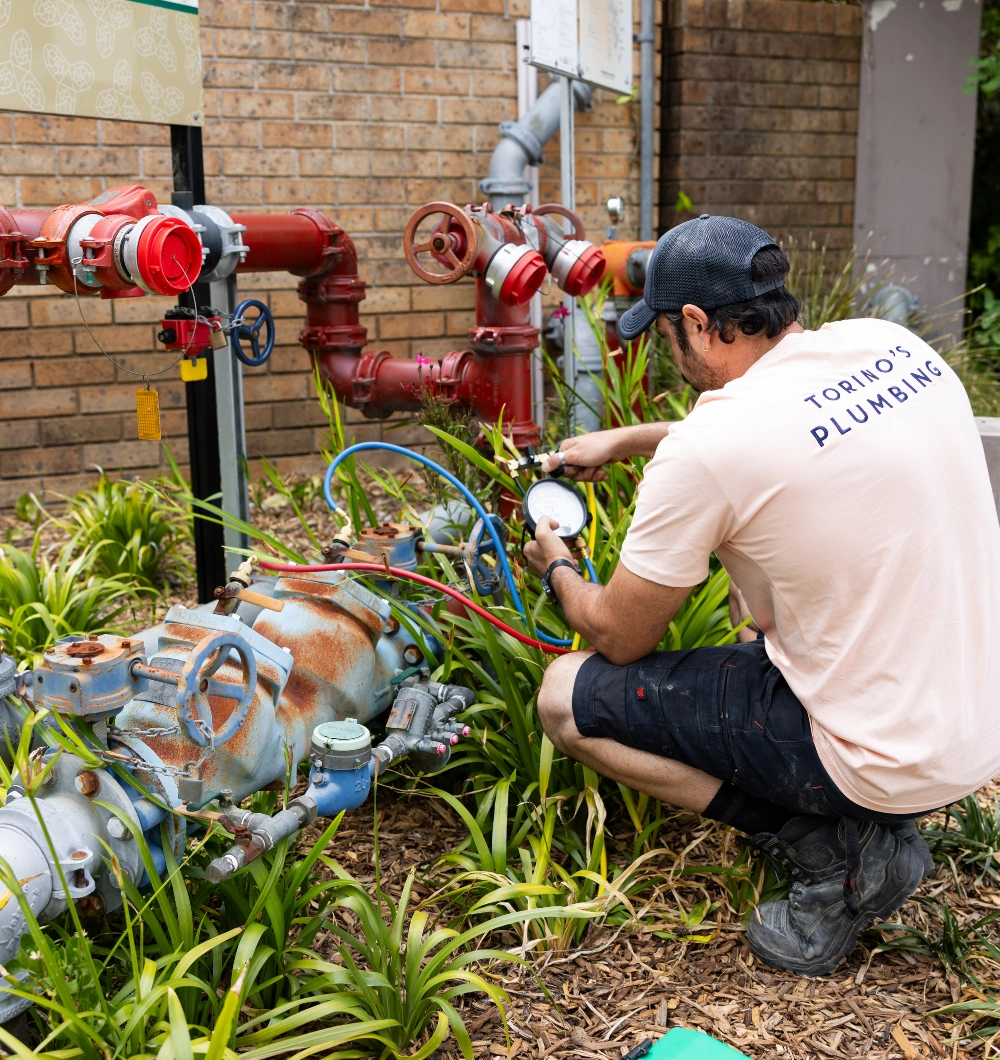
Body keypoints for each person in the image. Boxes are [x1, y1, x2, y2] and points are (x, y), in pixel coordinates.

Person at [522, 214, 1000, 976]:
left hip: (880, 759)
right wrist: (627, 439)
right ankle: (860, 825)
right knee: (761, 610)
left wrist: (556, 564)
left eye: (665, 337)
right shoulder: (888, 345)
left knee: (563, 696)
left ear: (697, 325)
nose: (667, 353)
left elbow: (618, 638)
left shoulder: (709, 453)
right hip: (973, 728)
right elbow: (783, 429)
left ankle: (835, 854)